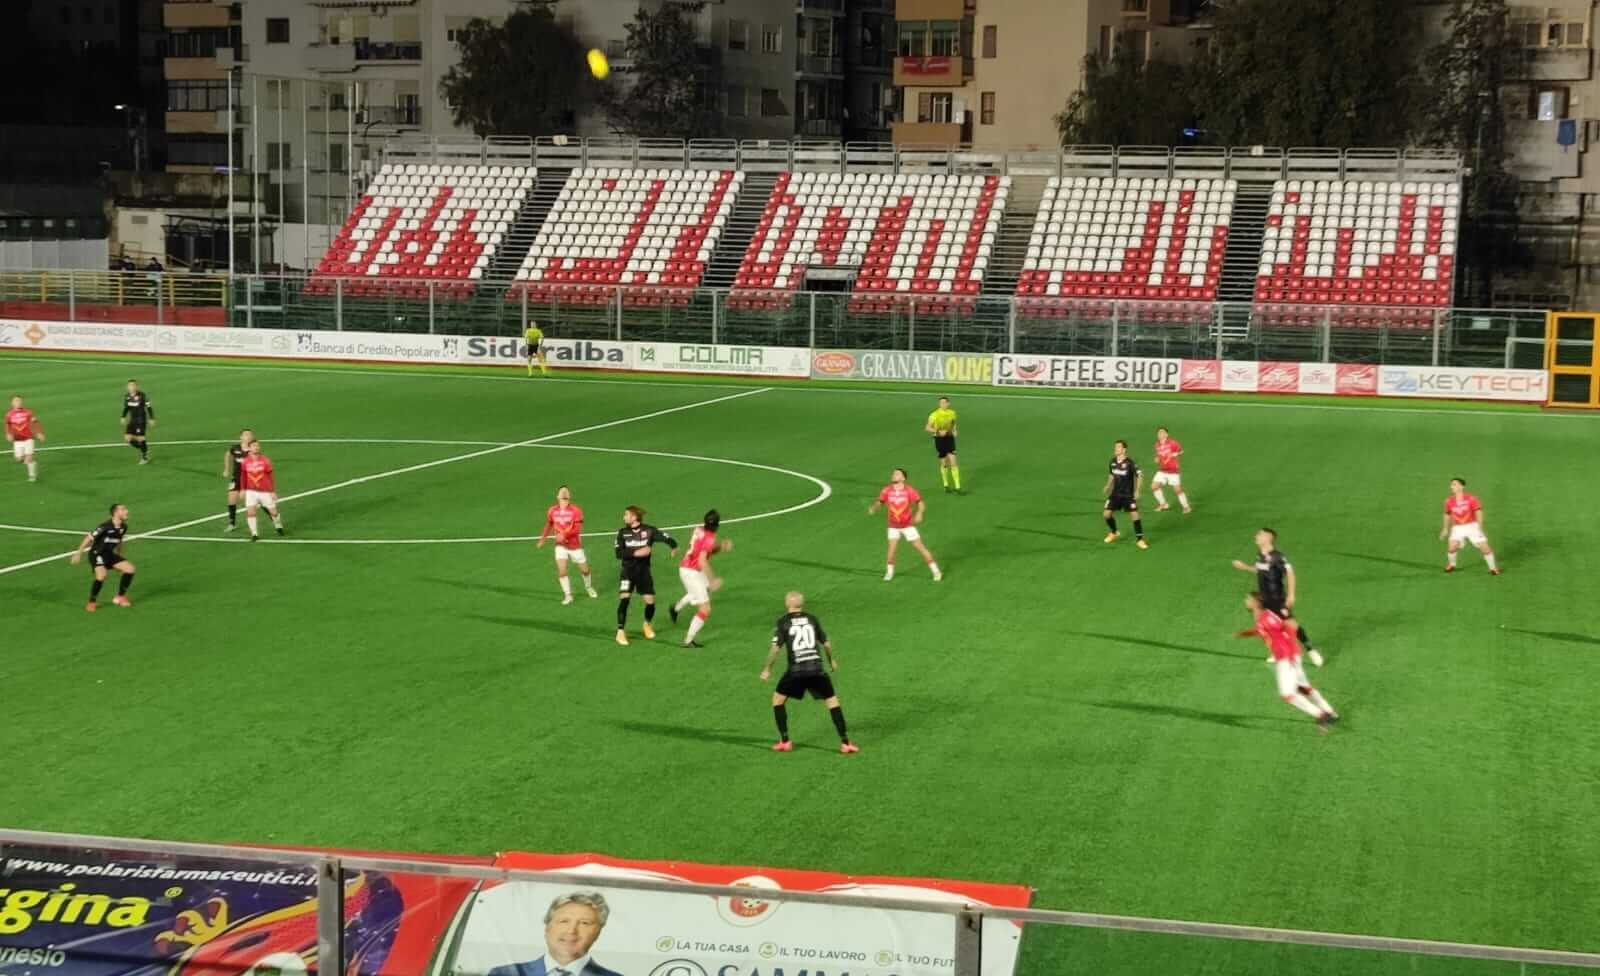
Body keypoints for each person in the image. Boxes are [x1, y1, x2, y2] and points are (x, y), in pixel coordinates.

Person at [760, 592, 857, 754]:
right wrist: (831, 660)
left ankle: (785, 741)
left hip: (795, 671)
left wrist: (767, 669)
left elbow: (775, 648)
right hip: (816, 669)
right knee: (832, 702)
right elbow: (826, 644)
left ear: (787, 604)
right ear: (802, 604)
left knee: (778, 700)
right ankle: (846, 743)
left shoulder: (783, 622)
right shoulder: (812, 619)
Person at [1236, 592, 1339, 733]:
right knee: (1304, 688)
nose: (1246, 601)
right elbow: (1263, 630)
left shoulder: (1266, 617)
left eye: (1248, 599)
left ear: (1256, 603)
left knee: (1287, 695)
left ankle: (1320, 715)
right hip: (1291, 655)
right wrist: (1246, 633)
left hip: (1286, 657)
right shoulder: (1262, 618)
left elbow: (1289, 626)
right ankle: (1330, 712)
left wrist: (1291, 652)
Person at [1232, 528, 1323, 667]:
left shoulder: (1277, 556)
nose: (1256, 536)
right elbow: (1259, 570)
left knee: (1292, 626)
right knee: (1266, 627)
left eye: (1260, 534)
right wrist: (1244, 567)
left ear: (1268, 538)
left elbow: (1290, 573)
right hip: (1263, 600)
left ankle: (1311, 650)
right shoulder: (1259, 555)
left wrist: (1291, 594)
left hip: (1277, 599)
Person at [485, 891, 622, 976]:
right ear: (547, 927)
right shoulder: (504, 974)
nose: (571, 931)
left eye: (584, 923)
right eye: (564, 921)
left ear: (598, 932)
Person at [612, 506, 677, 646]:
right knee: (624, 599)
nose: (624, 517)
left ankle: (647, 624)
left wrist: (673, 546)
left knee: (650, 602)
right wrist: (637, 553)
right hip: (627, 572)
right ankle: (620, 631)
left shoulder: (649, 530)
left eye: (626, 515)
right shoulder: (622, 533)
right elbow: (618, 553)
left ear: (634, 517)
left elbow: (666, 537)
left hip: (643, 572)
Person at [671, 510, 733, 647]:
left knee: (704, 589)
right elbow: (702, 561)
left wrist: (720, 546)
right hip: (691, 572)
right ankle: (688, 640)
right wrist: (713, 580)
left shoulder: (698, 530)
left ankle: (675, 608)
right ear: (717, 525)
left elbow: (705, 549)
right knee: (705, 609)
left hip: (688, 568)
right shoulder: (710, 538)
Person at [867, 468, 941, 582]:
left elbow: (921, 503)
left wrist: (920, 513)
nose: (894, 475)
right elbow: (880, 502)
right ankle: (889, 572)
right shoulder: (887, 490)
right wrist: (874, 508)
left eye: (897, 474)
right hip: (893, 526)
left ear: (903, 478)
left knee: (920, 548)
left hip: (908, 526)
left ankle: (936, 571)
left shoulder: (909, 490)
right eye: (893, 473)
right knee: (891, 549)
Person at [537, 485, 598, 604]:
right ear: (557, 496)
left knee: (585, 571)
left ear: (569, 496)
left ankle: (588, 586)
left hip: (575, 546)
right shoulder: (552, 510)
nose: (564, 492)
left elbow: (577, 529)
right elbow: (549, 524)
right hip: (560, 546)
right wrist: (543, 539)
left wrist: (564, 535)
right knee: (562, 571)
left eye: (566, 491)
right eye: (562, 491)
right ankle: (568, 595)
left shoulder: (576, 511)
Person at [71, 503, 136, 612]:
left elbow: (120, 541)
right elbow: (89, 538)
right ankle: (91, 602)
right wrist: (78, 554)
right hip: (97, 554)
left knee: (130, 569)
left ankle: (120, 597)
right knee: (102, 575)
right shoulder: (105, 526)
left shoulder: (124, 527)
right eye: (123, 509)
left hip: (109, 554)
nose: (127, 511)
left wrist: (119, 556)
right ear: (116, 513)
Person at [1441, 477, 1499, 575]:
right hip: (1457, 528)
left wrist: (1479, 526)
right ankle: (1452, 564)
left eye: (1454, 484)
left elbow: (1478, 512)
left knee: (1485, 548)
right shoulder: (1449, 501)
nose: (1451, 487)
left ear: (1461, 486)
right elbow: (1447, 514)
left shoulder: (1471, 499)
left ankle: (1493, 568)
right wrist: (1445, 528)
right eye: (1451, 485)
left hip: (1472, 526)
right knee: (1451, 548)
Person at [1103, 440, 1148, 548]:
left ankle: (1140, 540)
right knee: (1106, 515)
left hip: (1127, 495)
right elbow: (1112, 475)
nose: (1116, 448)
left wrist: (1137, 490)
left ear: (1124, 450)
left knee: (1135, 515)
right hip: (1115, 494)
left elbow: (1140, 476)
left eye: (1118, 447)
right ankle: (1114, 532)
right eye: (1115, 447)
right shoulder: (1112, 461)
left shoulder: (1130, 463)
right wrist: (1108, 486)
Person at [240, 440, 286, 541]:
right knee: (251, 513)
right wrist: (243, 489)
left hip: (265, 491)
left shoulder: (265, 460)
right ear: (249, 448)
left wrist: (272, 491)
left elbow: (270, 476)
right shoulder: (245, 462)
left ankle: (278, 525)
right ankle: (254, 534)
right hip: (251, 491)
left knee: (273, 512)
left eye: (257, 445)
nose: (256, 447)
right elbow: (243, 476)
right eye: (254, 446)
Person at [924, 396, 961, 494]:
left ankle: (958, 487)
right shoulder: (934, 415)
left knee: (953, 461)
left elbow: (953, 423)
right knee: (944, 463)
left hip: (949, 438)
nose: (942, 404)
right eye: (941, 403)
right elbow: (927, 427)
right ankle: (946, 485)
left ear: (948, 403)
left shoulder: (952, 413)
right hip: (939, 439)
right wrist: (938, 432)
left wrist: (954, 430)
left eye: (944, 403)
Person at [1151, 426, 1191, 514]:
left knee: (1177, 490)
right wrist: (1157, 458)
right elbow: (1159, 455)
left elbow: (1181, 451)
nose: (1160, 434)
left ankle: (1186, 507)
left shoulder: (1172, 443)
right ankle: (1163, 504)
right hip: (1162, 470)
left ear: (1166, 434)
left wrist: (1174, 454)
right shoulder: (1157, 444)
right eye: (1159, 433)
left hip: (1173, 470)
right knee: (1154, 486)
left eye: (1162, 432)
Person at [5, 395, 43, 483]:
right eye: (16, 401)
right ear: (12, 403)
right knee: (19, 459)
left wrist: (39, 433)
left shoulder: (28, 412)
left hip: (28, 438)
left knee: (29, 458)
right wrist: (8, 434)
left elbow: (35, 422)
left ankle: (32, 476)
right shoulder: (9, 414)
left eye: (19, 401)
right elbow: (7, 425)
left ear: (21, 402)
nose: (18, 402)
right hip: (17, 440)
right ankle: (31, 462)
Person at [222, 428, 254, 533]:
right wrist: (226, 469)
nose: (248, 436)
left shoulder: (253, 450)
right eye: (246, 434)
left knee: (250, 502)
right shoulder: (235, 448)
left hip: (248, 480)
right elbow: (228, 454)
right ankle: (232, 524)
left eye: (250, 435)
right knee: (231, 500)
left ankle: (273, 518)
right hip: (236, 478)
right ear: (241, 437)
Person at [122, 379, 155, 464]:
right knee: (127, 438)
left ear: (136, 386)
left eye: (133, 385)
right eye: (130, 385)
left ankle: (145, 457)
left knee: (140, 438)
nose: (131, 387)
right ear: (127, 387)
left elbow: (149, 407)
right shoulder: (127, 396)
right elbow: (126, 407)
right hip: (132, 420)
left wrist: (151, 418)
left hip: (141, 420)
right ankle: (144, 449)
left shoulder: (142, 395)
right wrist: (123, 416)